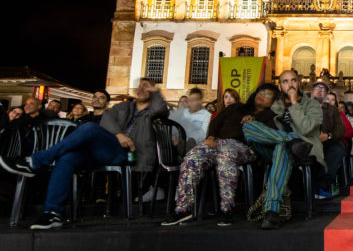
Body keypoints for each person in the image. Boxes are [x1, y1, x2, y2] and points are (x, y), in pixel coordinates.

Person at [0, 78, 168, 229]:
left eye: (147, 87)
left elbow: (162, 109)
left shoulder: (152, 110)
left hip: (128, 152)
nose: (142, 89)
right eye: (140, 86)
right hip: (107, 146)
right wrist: (118, 134)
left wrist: (156, 92)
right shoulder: (125, 106)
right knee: (67, 158)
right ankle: (53, 213)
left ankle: (35, 161)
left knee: (89, 127)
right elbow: (107, 118)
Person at [163, 84, 276, 227]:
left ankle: (227, 209)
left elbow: (269, 136)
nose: (262, 95)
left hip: (243, 147)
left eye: (268, 95)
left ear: (273, 101)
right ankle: (183, 209)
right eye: (261, 92)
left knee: (226, 155)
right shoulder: (236, 107)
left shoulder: (269, 115)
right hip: (217, 142)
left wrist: (254, 124)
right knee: (192, 157)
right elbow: (216, 122)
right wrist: (210, 136)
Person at [241, 70, 323, 230]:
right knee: (248, 126)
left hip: (303, 149)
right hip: (281, 145)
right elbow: (261, 127)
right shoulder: (275, 107)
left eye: (293, 80)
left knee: (281, 149)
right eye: (285, 81)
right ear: (280, 86)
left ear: (299, 83)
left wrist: (294, 103)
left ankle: (272, 211)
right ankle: (290, 140)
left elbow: (306, 128)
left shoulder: (312, 104)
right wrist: (252, 119)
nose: (290, 84)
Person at [310, 81, 345, 199]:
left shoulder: (332, 110)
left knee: (337, 149)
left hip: (326, 141)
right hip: (307, 141)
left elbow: (341, 130)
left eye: (323, 90)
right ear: (312, 91)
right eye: (317, 88)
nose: (320, 91)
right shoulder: (302, 106)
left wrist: (328, 135)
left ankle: (321, 187)